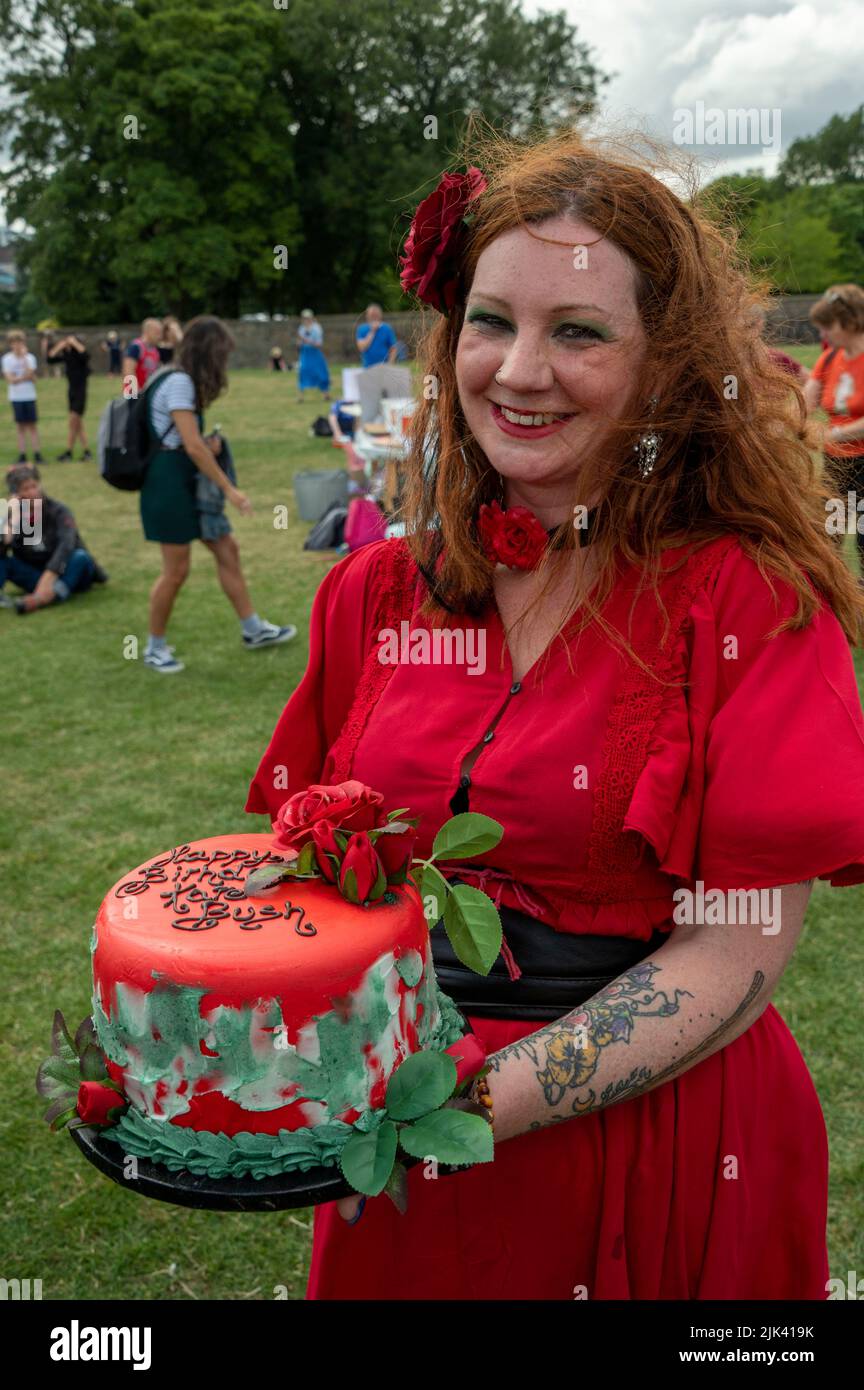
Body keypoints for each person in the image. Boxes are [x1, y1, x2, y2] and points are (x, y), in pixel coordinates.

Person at [246, 134, 864, 1301]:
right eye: (491, 321)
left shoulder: (750, 603)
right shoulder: (370, 592)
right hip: (407, 1173)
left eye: (578, 331)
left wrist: (464, 1105)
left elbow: (736, 953)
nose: (520, 371)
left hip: (658, 1154)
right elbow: (320, 885)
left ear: (666, 365)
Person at [139, 314, 296, 674]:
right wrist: (231, 490)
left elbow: (187, 440)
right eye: (222, 354)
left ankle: (253, 629)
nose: (224, 362)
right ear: (208, 352)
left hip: (184, 481)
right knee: (176, 571)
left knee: (228, 549)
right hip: (168, 485)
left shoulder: (179, 379)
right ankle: (153, 647)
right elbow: (192, 447)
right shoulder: (179, 382)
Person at [805, 288, 864, 566]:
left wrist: (833, 434)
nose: (823, 334)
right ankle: (833, 606)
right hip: (836, 467)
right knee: (829, 541)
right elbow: (804, 404)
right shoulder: (829, 359)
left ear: (850, 323)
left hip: (862, 464)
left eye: (828, 326)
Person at [0, 463, 106, 614]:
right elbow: (2, 549)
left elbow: (67, 544)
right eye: (26, 489)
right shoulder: (11, 513)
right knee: (4, 560)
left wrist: (49, 577)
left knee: (80, 558)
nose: (33, 492)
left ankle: (44, 598)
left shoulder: (59, 510)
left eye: (34, 486)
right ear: (15, 494)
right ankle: (45, 595)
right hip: (36, 573)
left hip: (66, 571)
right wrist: (12, 519)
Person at [47, 333, 92, 462]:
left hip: (80, 392)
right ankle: (86, 451)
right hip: (71, 392)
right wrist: (59, 347)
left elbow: (86, 355)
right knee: (78, 425)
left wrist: (74, 342)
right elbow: (50, 358)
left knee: (73, 422)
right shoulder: (67, 356)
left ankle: (69, 452)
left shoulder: (79, 355)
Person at [2, 331, 43, 464]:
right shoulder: (7, 359)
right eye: (14, 343)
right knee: (20, 426)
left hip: (29, 395)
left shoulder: (30, 358)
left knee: (32, 426)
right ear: (11, 344)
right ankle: (22, 454)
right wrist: (24, 377)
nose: (17, 346)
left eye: (20, 343)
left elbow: (32, 375)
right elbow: (10, 379)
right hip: (16, 397)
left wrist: (24, 359)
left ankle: (37, 453)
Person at [296, 309, 330, 403]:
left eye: (308, 318)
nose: (306, 320)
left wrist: (307, 341)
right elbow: (299, 342)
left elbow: (319, 344)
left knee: (321, 373)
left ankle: (326, 395)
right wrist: (299, 343)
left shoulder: (317, 328)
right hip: (305, 354)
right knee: (303, 373)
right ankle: (300, 397)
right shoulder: (301, 328)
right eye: (304, 318)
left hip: (315, 353)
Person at [122, 317, 163, 393]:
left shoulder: (155, 350)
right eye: (157, 333)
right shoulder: (136, 347)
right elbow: (128, 372)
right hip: (135, 396)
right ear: (147, 331)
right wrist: (133, 395)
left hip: (147, 394)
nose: (160, 337)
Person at [355, 303, 397, 367]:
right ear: (367, 316)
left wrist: (390, 364)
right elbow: (361, 348)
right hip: (368, 367)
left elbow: (393, 349)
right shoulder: (362, 329)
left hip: (384, 366)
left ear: (380, 315)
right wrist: (372, 331)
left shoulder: (387, 328)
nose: (374, 318)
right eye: (372, 315)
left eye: (376, 315)